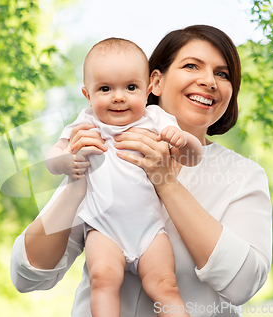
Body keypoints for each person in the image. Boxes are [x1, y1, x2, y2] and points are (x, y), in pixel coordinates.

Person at [11, 25, 273, 317]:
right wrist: (74, 187)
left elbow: (244, 284)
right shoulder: (103, 149)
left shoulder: (242, 175)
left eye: (222, 74)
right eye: (191, 66)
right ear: (156, 83)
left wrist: (166, 182)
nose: (209, 81)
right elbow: (27, 275)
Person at [44, 38, 203, 317]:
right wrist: (65, 160)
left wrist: (184, 140)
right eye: (105, 88)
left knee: (165, 286)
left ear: (148, 89)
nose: (119, 96)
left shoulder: (156, 119)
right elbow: (52, 158)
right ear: (88, 94)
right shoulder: (86, 122)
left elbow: (194, 158)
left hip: (150, 231)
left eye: (131, 87)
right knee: (103, 282)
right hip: (104, 230)